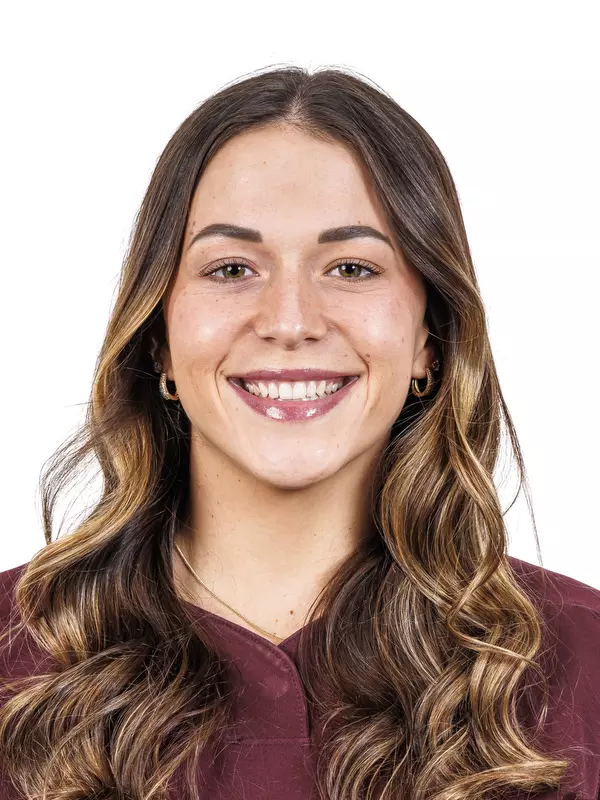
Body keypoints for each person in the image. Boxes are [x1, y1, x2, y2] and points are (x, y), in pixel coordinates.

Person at [1, 65, 599, 800]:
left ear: (428, 338)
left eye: (351, 267)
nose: (289, 321)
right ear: (159, 338)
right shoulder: (12, 654)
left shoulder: (585, 662)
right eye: (231, 269)